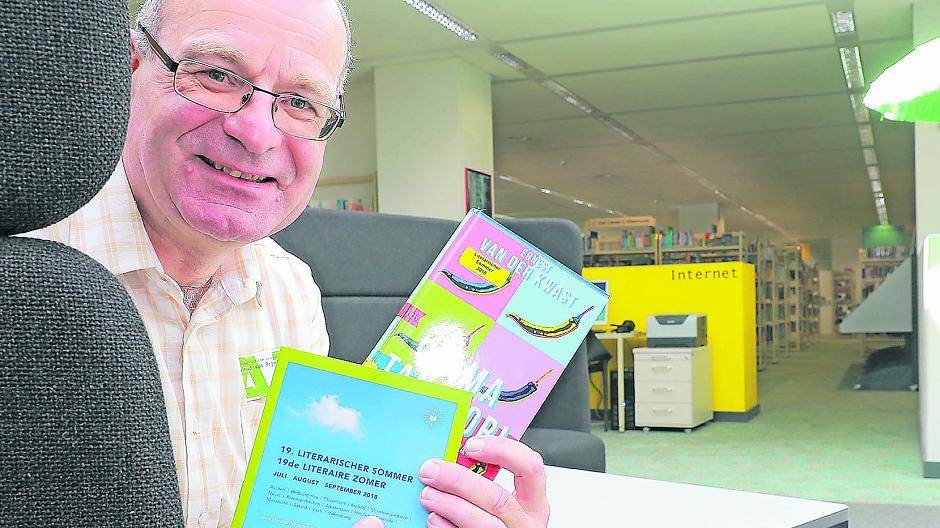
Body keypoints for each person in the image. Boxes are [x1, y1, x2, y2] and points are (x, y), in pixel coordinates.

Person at [25, 0, 551, 527]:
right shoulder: (21, 283)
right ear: (131, 70)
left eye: (301, 103)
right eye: (216, 75)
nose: (256, 132)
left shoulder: (290, 289)